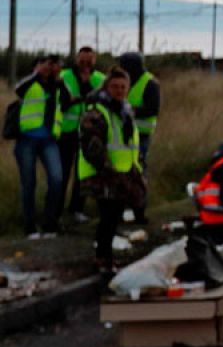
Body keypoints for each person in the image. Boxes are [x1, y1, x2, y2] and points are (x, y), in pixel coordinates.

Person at [76, 67, 143, 274]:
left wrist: (135, 170)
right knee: (108, 218)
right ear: (107, 87)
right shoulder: (97, 111)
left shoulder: (124, 111)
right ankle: (102, 259)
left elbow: (128, 144)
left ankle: (106, 258)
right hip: (101, 175)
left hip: (121, 173)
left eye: (123, 87)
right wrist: (108, 171)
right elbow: (92, 148)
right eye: (115, 86)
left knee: (114, 218)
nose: (119, 90)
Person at [12, 55, 65, 238]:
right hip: (27, 138)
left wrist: (59, 78)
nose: (48, 68)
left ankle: (50, 223)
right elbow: (18, 89)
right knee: (29, 183)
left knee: (57, 179)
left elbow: (66, 100)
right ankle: (30, 227)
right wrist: (37, 74)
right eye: (45, 64)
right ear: (36, 66)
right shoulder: (29, 83)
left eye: (51, 65)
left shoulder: (57, 85)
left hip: (49, 139)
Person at [60, 45, 105, 223]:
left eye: (89, 60)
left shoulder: (101, 79)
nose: (85, 64)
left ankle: (77, 209)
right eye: (82, 60)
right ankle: (57, 210)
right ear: (76, 59)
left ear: (94, 60)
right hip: (66, 130)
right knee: (62, 173)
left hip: (89, 132)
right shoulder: (65, 76)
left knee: (82, 173)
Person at [118, 51, 160, 175]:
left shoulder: (150, 83)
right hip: (121, 132)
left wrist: (128, 110)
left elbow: (153, 109)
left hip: (141, 133)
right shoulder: (123, 81)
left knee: (138, 167)